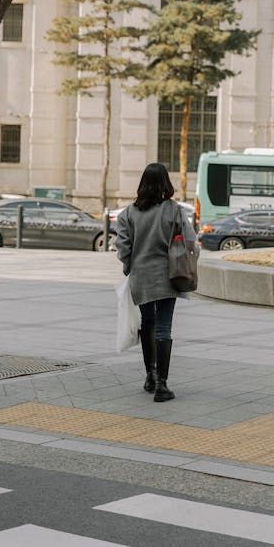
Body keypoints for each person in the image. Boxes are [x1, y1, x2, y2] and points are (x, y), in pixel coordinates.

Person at [115, 162, 197, 402]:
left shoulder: (128, 214)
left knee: (147, 324)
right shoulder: (174, 210)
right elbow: (191, 242)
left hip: (141, 278)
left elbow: (122, 249)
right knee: (164, 328)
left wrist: (130, 265)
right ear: (165, 183)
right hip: (169, 277)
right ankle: (162, 384)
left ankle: (150, 375)